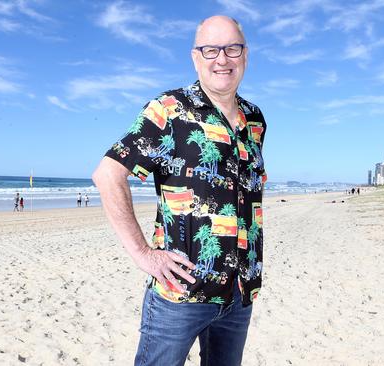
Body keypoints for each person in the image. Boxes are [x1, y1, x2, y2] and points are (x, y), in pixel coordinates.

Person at [93, 15, 266, 366]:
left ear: (245, 56)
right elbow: (108, 174)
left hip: (239, 292)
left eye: (232, 49)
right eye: (211, 50)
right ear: (195, 57)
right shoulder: (169, 110)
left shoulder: (255, 120)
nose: (222, 59)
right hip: (181, 292)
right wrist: (143, 253)